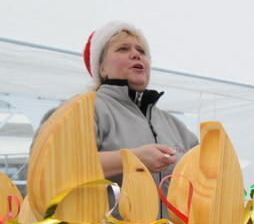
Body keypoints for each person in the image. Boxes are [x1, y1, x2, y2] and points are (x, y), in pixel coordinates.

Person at [81, 21, 198, 184]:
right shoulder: (85, 110)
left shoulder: (177, 128)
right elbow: (58, 167)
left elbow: (207, 178)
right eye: (123, 48)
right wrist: (132, 159)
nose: (136, 55)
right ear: (101, 69)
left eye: (142, 51)